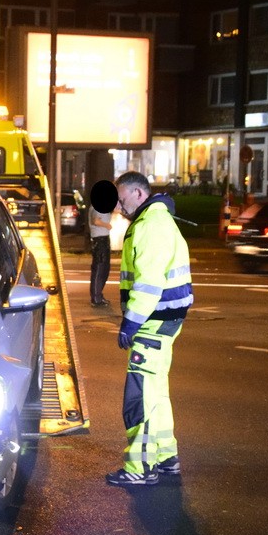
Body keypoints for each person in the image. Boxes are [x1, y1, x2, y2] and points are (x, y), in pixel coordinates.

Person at [105, 172, 193, 487]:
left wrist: (131, 322)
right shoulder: (157, 221)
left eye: (122, 196)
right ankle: (167, 459)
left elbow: (148, 282)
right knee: (156, 392)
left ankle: (140, 468)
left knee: (139, 395)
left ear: (139, 193)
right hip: (164, 319)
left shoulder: (150, 227)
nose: (118, 204)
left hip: (152, 320)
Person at [88, 204, 113, 307]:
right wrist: (107, 225)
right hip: (100, 241)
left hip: (102, 240)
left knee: (104, 270)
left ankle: (98, 296)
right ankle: (96, 298)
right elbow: (96, 221)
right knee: (99, 270)